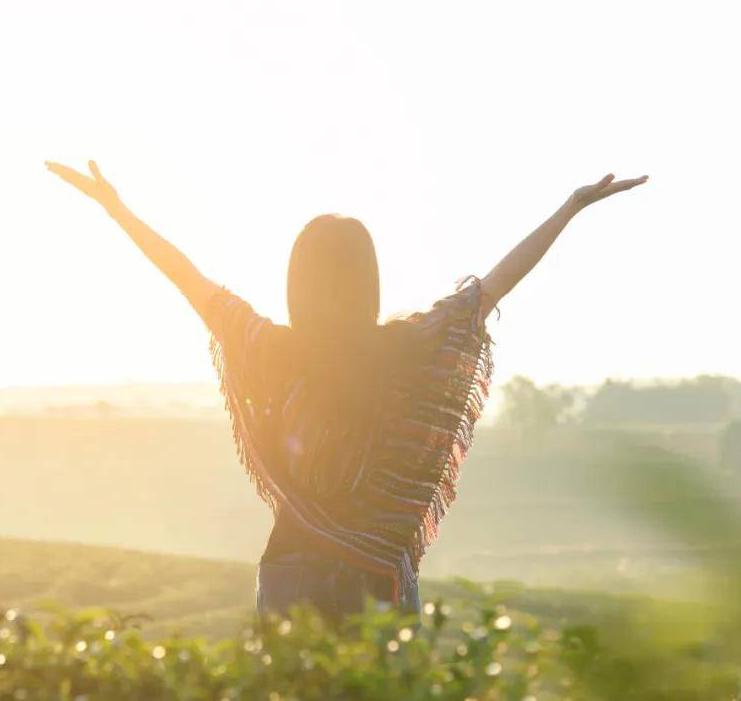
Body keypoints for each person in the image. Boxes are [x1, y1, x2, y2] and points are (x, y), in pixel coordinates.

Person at [45, 159, 647, 623]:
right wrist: (568, 210)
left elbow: (190, 281)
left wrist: (117, 211)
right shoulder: (407, 347)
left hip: (289, 575)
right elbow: (492, 288)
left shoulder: (270, 349)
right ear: (369, 280)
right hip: (375, 579)